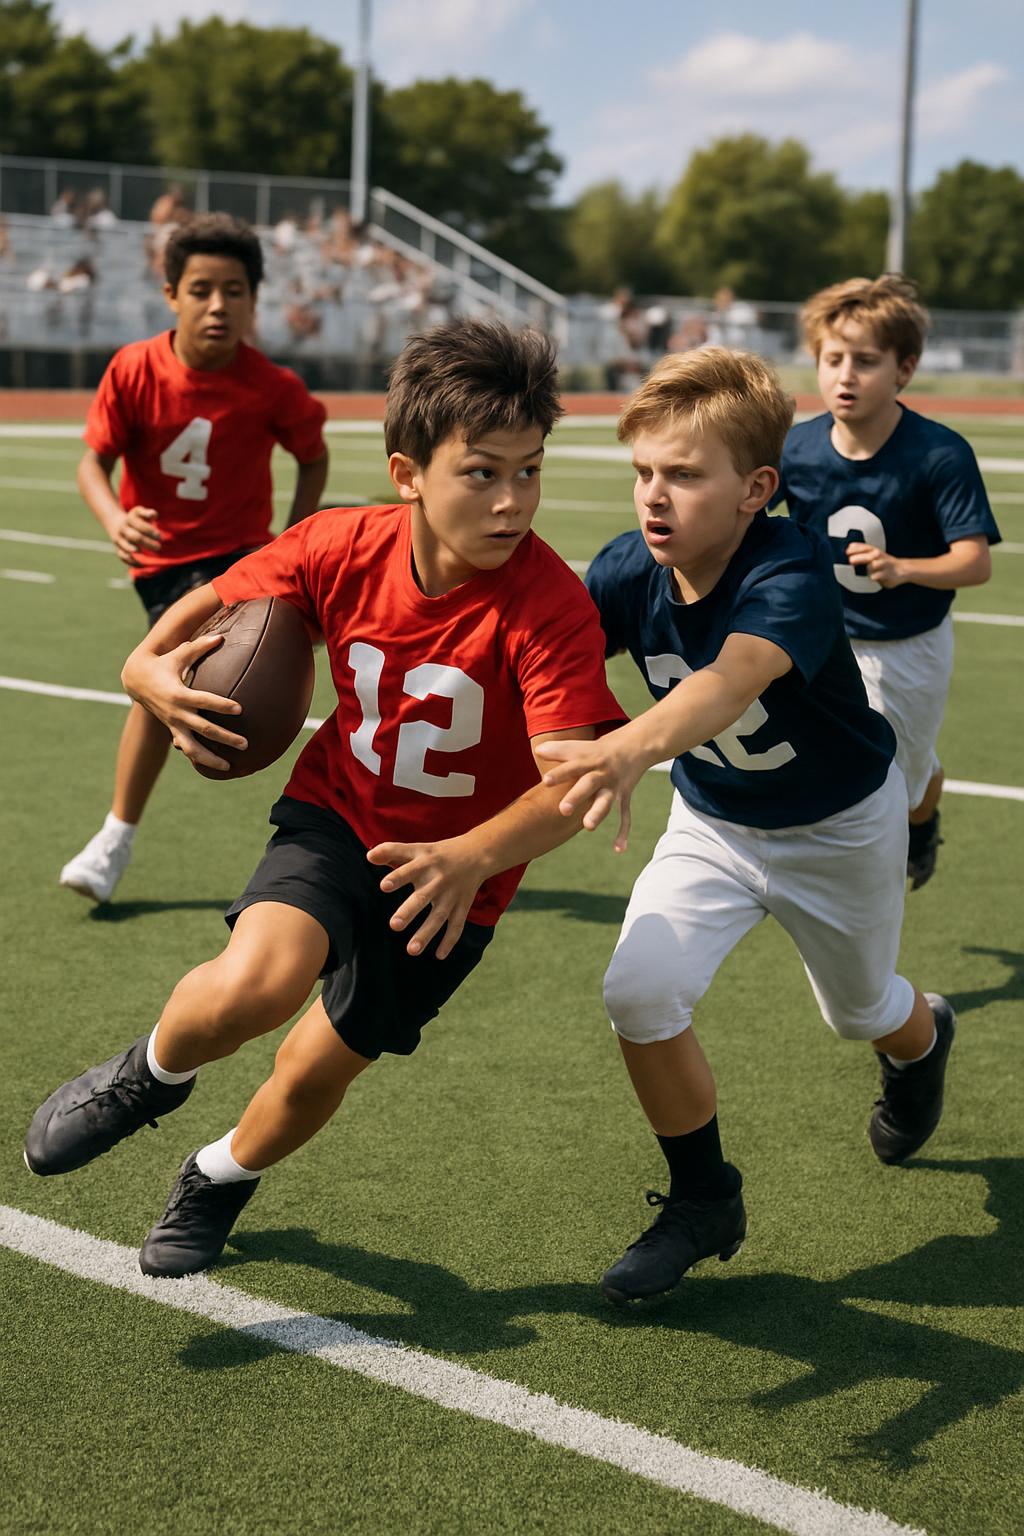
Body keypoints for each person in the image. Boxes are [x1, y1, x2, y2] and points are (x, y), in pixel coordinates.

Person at [26, 319, 622, 1280]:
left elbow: (572, 784)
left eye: (531, 470)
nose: (513, 501)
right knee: (258, 983)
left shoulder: (549, 603)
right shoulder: (341, 542)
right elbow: (219, 601)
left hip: (459, 880)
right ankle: (149, 1073)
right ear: (407, 472)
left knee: (311, 1073)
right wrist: (144, 663)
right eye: (482, 472)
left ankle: (217, 1177)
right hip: (342, 814)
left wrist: (472, 856)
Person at [535, 347, 955, 1306]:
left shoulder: (791, 567)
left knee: (859, 1013)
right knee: (639, 991)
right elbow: (538, 646)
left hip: (838, 826)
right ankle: (703, 1199)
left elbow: (729, 683)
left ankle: (923, 1035)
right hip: (716, 822)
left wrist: (627, 750)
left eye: (684, 475)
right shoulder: (623, 569)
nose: (655, 496)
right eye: (644, 471)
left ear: (756, 489)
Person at [59, 213, 330, 904]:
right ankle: (116, 834)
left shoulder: (271, 384)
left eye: (235, 290)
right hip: (165, 562)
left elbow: (312, 455)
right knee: (164, 673)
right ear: (171, 294)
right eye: (202, 289)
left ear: (253, 300)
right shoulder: (134, 369)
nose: (219, 305)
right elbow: (93, 462)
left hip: (244, 555)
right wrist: (116, 519)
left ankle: (352, 818)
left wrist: (292, 535)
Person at [775, 275, 1000, 888]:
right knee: (837, 771)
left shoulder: (938, 453)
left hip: (907, 643)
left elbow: (974, 562)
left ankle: (922, 818)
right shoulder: (796, 448)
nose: (845, 375)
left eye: (866, 361)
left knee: (906, 784)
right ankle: (844, 880)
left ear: (904, 369)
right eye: (833, 358)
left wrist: (904, 569)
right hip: (824, 637)